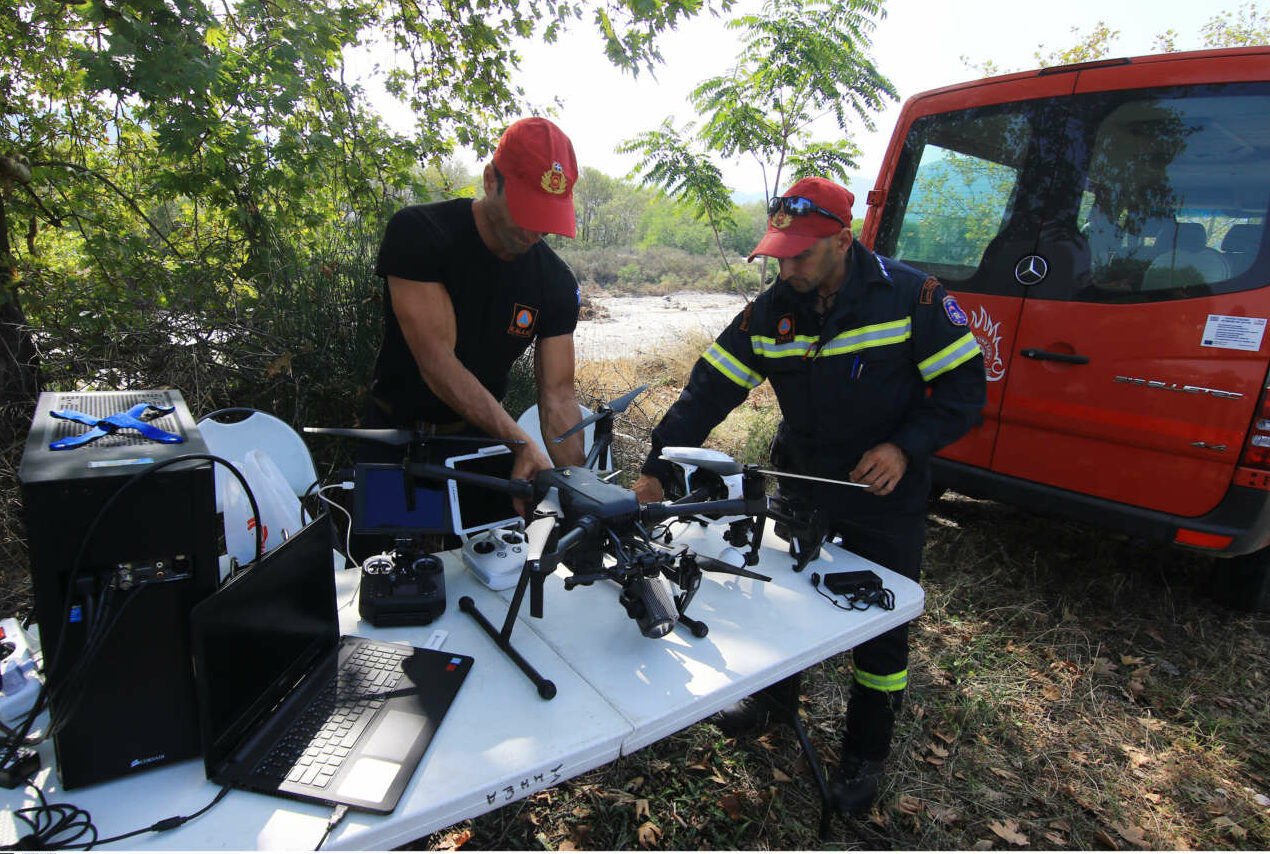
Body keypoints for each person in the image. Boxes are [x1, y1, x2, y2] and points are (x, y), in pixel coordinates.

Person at [631, 177, 986, 816]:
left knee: (881, 623)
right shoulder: (771, 312)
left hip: (885, 495)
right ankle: (774, 701)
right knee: (786, 602)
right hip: (801, 487)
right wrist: (659, 465)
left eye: (799, 254)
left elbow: (964, 396)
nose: (785, 266)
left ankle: (864, 753)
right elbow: (708, 391)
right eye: (778, 254)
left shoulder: (912, 298)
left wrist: (905, 448)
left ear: (843, 240)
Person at [362, 117, 586, 510]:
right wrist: (520, 440)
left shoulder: (555, 281)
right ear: (490, 180)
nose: (534, 232)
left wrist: (581, 489)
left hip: (479, 440)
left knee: (496, 561)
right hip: (396, 442)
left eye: (546, 219)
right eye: (526, 211)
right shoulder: (420, 234)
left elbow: (559, 397)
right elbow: (438, 365)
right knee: (390, 563)